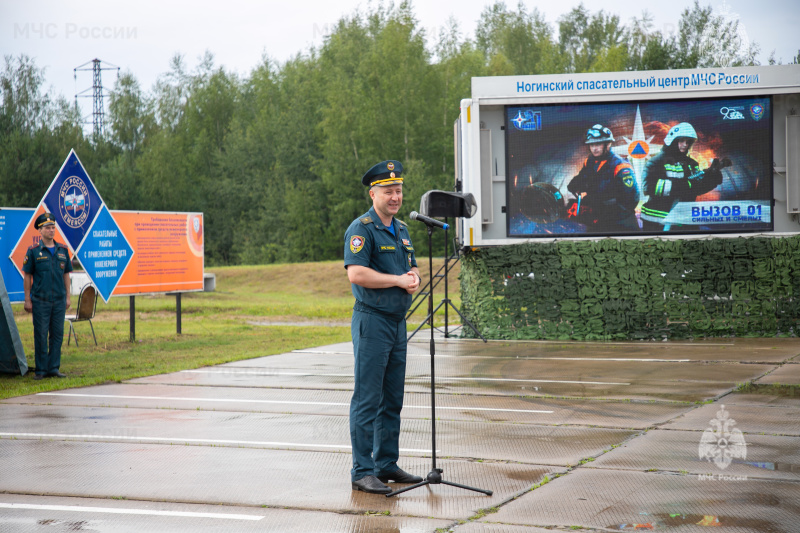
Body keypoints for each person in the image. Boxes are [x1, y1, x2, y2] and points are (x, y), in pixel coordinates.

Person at [343, 160, 423, 494]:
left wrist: (415, 276)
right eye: (388, 191)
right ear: (373, 193)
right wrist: (398, 280)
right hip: (372, 321)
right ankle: (362, 471)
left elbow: (412, 265)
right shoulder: (361, 229)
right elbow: (356, 274)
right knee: (367, 399)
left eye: (399, 190)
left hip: (396, 323)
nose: (395, 197)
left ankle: (386, 464)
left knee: (392, 399)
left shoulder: (401, 230)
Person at [640, 122, 723, 232]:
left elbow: (696, 188)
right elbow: (650, 187)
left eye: (688, 142)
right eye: (681, 141)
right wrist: (686, 185)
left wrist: (712, 178)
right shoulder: (656, 162)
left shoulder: (691, 163)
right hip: (657, 222)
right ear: (672, 140)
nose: (685, 145)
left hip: (685, 221)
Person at [23, 213, 72, 380]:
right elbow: (27, 276)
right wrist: (27, 299)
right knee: (41, 335)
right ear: (40, 230)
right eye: (48, 228)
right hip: (40, 301)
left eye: (53, 227)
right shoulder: (34, 251)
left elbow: (66, 274)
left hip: (58, 300)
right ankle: (41, 370)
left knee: (57, 335)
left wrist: (68, 297)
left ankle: (54, 368)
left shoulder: (63, 250)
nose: (51, 230)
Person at [567, 124, 640, 232]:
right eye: (591, 145)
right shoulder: (590, 161)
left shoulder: (621, 166)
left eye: (598, 144)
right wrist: (577, 187)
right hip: (598, 219)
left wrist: (606, 211)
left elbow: (632, 199)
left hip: (620, 223)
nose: (594, 148)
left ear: (608, 144)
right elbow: (580, 180)